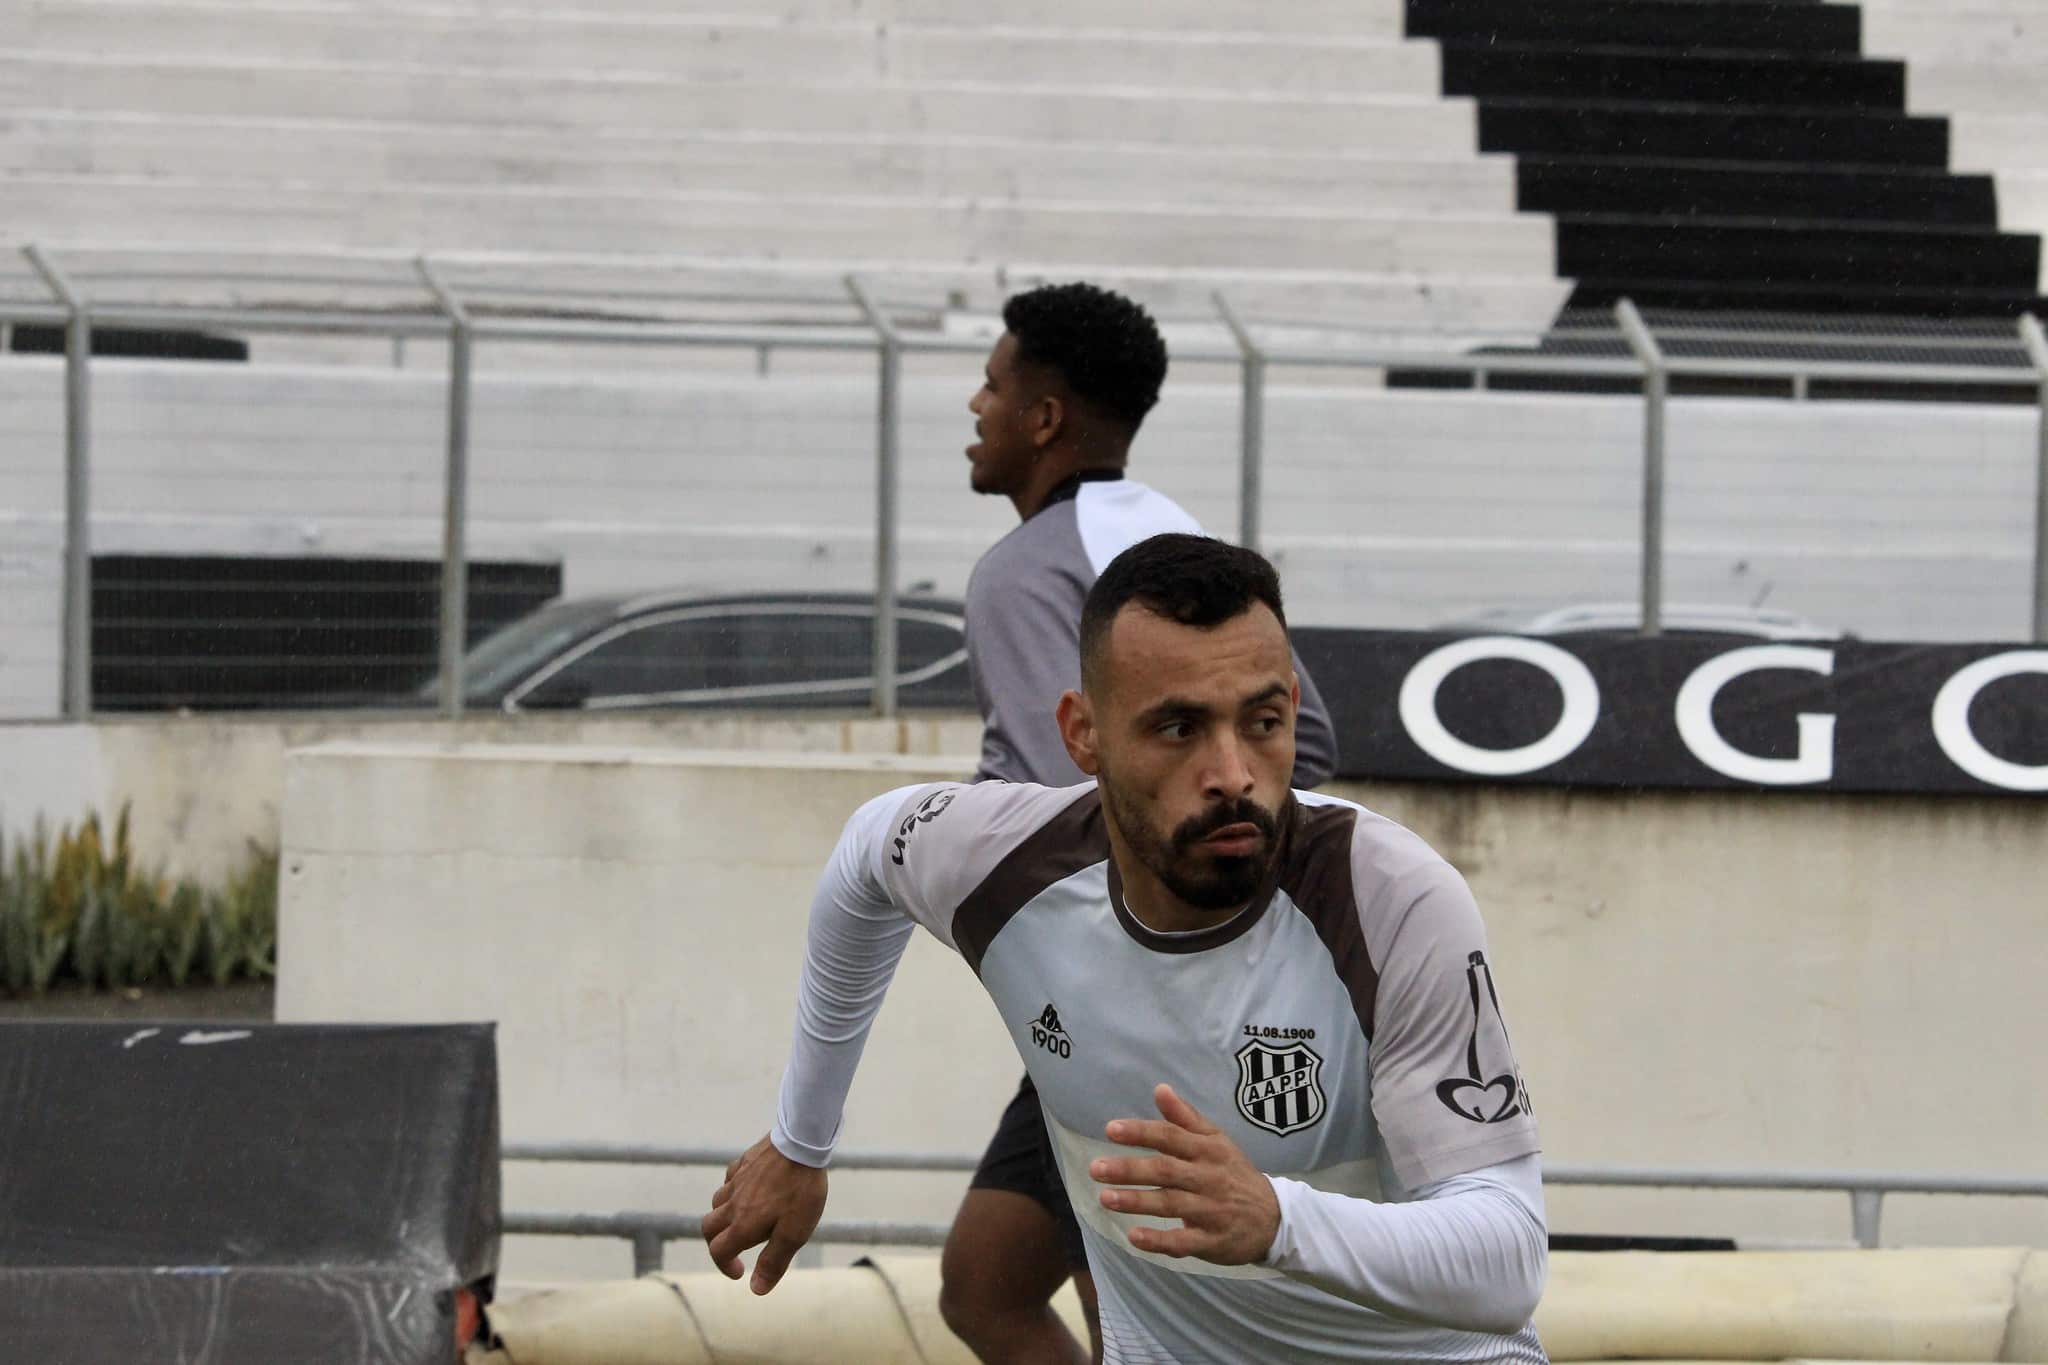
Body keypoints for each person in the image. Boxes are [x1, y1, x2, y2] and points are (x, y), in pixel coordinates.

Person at [703, 533, 1549, 1364]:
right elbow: (864, 858)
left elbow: (1508, 1258)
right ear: (1083, 732)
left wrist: (1279, 1219)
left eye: (1262, 721)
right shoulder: (1000, 864)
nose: (1232, 772)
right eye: (1179, 728)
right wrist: (799, 1142)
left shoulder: (1390, 896)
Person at [952, 281, 1338, 1361]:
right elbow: (1306, 747)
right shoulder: (1178, 541)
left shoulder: (1023, 573)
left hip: (1128, 999)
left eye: (990, 383)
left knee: (1140, 1324)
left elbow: (1054, 804)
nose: (972, 406)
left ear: (1042, 419)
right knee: (985, 1283)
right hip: (1200, 981)